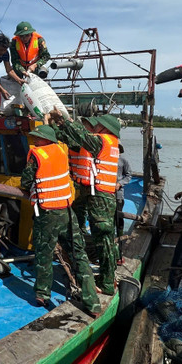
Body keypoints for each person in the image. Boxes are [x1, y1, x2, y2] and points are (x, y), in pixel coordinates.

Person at [20, 124, 101, 317]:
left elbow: (26, 181)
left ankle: (42, 294)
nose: (34, 140)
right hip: (66, 211)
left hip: (47, 213)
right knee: (78, 254)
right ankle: (93, 303)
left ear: (46, 139)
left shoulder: (36, 155)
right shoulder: (60, 151)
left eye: (37, 137)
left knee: (44, 254)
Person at [50, 111, 121, 296]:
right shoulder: (104, 142)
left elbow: (81, 135)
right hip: (97, 194)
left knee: (103, 238)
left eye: (98, 125)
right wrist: (56, 126)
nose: (95, 127)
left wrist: (65, 120)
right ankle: (107, 277)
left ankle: (107, 282)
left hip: (100, 196)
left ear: (105, 128)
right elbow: (73, 138)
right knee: (103, 237)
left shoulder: (102, 141)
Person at [115, 142, 132, 264]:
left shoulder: (123, 161)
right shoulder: (104, 160)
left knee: (119, 222)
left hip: (118, 195)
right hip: (106, 195)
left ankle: (119, 252)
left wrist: (120, 183)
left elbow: (128, 175)